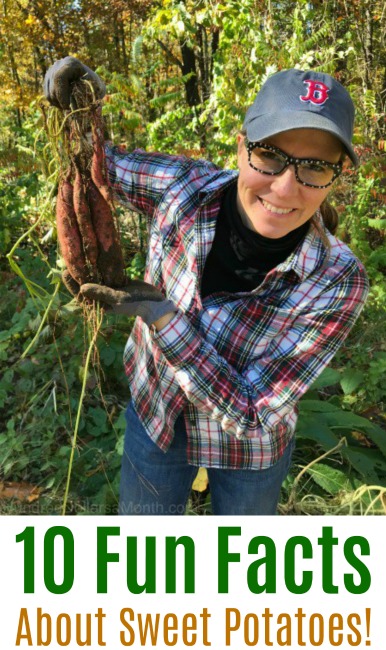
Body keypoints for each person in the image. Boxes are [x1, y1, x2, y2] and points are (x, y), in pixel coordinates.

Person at [44, 59, 369, 515]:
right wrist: (81, 107)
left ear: (336, 175)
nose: (284, 187)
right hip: (156, 413)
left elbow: (254, 415)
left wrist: (162, 316)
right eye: (270, 155)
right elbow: (100, 165)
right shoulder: (183, 189)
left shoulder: (337, 280)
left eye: (314, 167)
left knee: (243, 566)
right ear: (242, 147)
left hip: (248, 455)